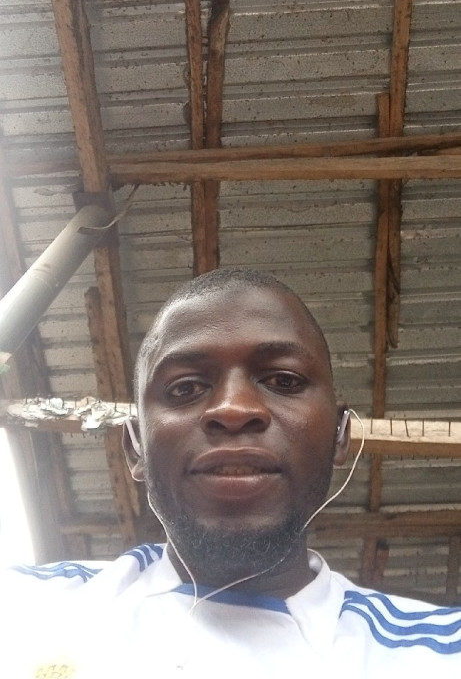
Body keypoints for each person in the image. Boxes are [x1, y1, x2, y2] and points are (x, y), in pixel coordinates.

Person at [1, 268, 461, 678]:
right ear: (135, 446)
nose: (233, 409)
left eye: (283, 381)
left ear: (340, 435)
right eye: (185, 387)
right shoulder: (26, 609)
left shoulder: (439, 653)